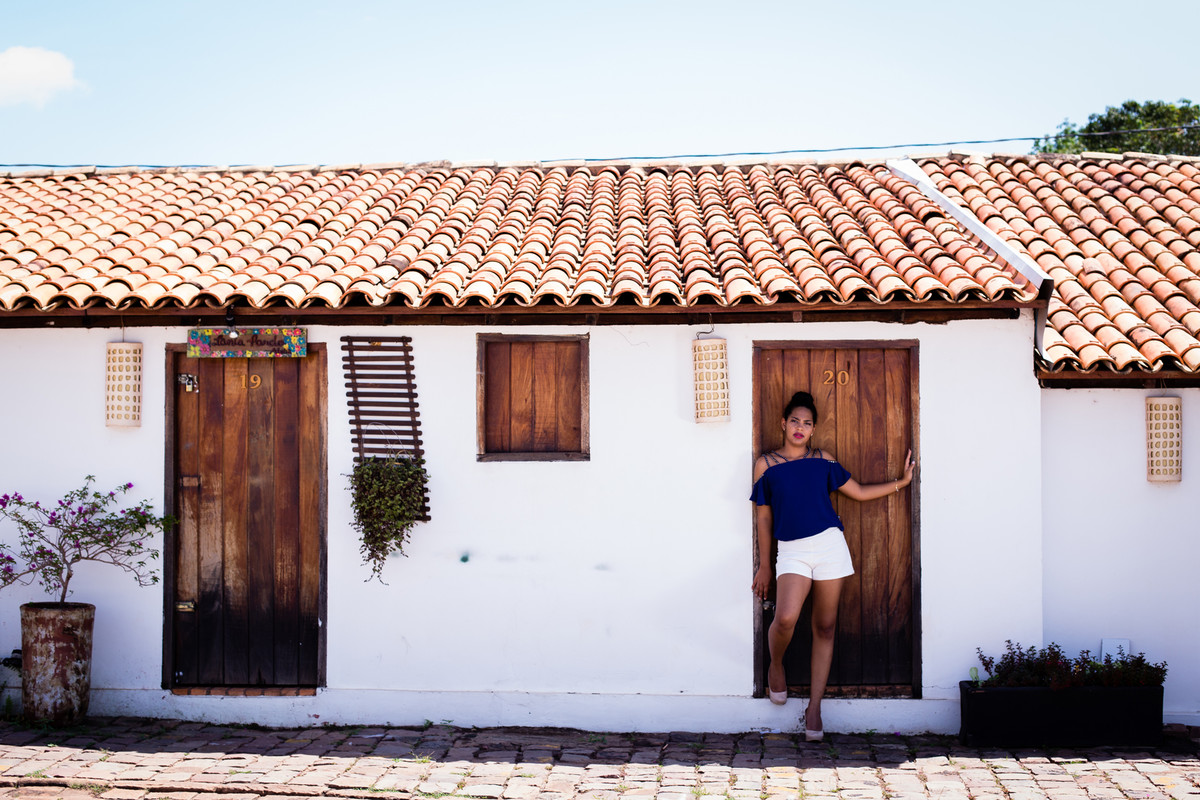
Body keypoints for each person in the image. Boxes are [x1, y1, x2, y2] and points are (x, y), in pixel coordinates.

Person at [750, 390, 914, 742]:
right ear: (783, 423)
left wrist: (901, 483)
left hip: (829, 546)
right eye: (794, 420)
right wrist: (765, 566)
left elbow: (857, 491)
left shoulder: (824, 460)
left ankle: (814, 707)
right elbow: (764, 519)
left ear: (812, 430)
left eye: (807, 423)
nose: (800, 427)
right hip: (792, 550)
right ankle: (775, 665)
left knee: (825, 626)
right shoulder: (766, 464)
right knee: (786, 618)